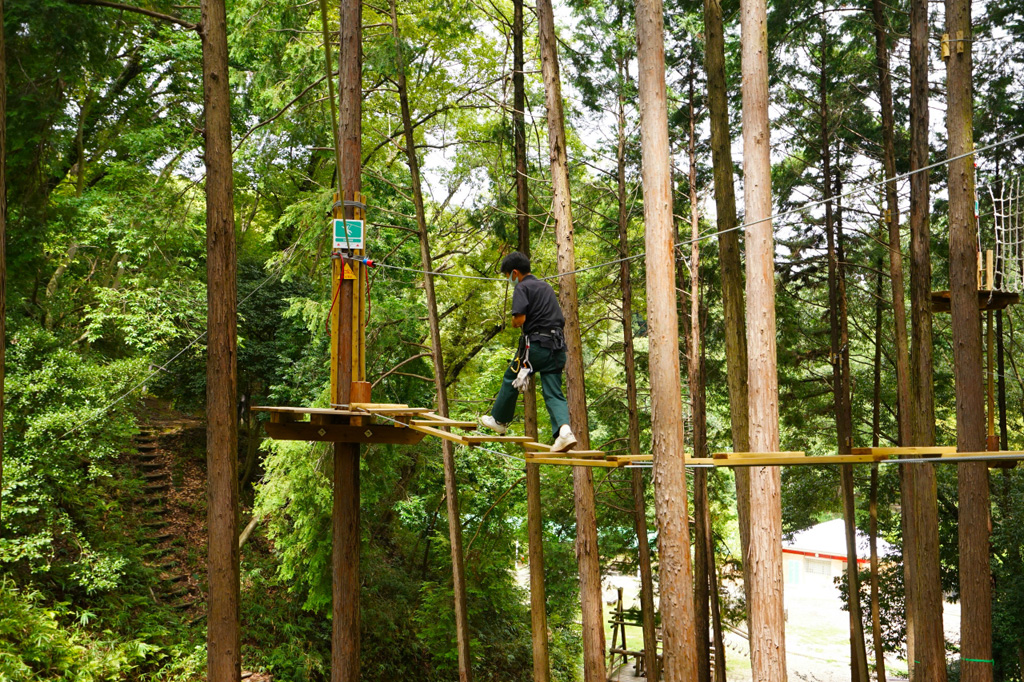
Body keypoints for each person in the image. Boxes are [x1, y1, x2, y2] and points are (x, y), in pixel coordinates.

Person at [480, 252, 578, 452]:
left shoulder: (523, 287)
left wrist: (514, 322)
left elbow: (520, 319)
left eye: (508, 275)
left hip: (536, 346)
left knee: (511, 377)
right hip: (557, 347)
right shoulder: (545, 286)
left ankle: (499, 420)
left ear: (514, 273)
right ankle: (565, 432)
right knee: (553, 393)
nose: (509, 280)